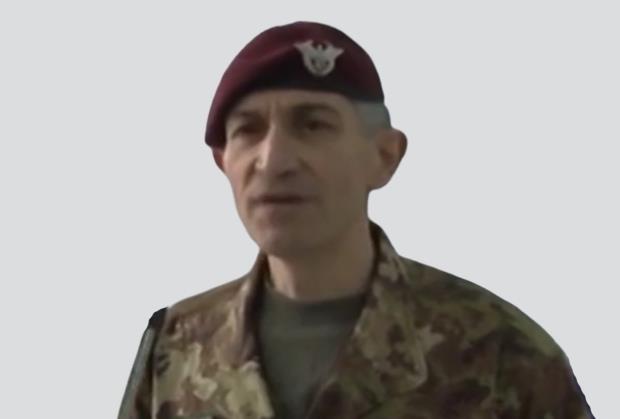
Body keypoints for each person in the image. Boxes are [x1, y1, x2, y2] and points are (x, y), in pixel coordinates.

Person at [118, 21, 594, 419]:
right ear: (223, 163)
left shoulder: (501, 353)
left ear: (384, 157)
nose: (274, 160)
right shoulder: (177, 349)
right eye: (248, 130)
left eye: (313, 125)